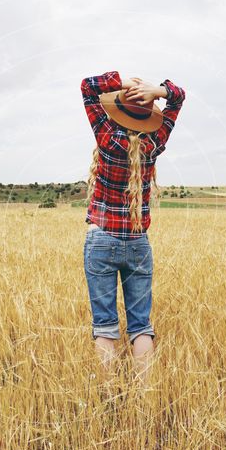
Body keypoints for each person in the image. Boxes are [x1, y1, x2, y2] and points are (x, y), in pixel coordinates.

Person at [80, 70, 186, 384]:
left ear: (119, 110)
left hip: (100, 239)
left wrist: (125, 84)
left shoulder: (105, 134)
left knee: (105, 327)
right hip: (139, 242)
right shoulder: (155, 141)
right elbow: (179, 97)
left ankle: (109, 398)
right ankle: (145, 397)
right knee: (141, 327)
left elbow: (88, 87)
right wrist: (158, 91)